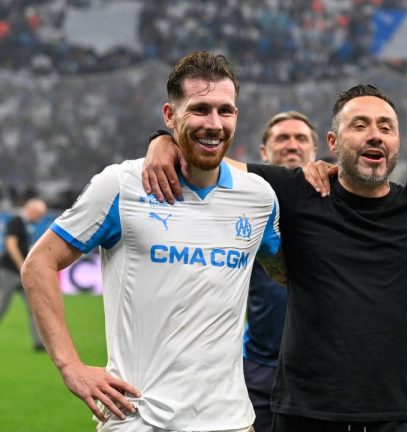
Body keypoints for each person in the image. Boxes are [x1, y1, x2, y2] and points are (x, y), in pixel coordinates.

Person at [143, 84, 407, 431]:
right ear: (333, 143)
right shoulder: (295, 192)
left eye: (386, 127)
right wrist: (161, 141)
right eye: (359, 125)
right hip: (306, 415)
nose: (375, 135)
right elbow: (206, 163)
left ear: (397, 143)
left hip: (401, 416)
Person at [21, 51, 282, 432]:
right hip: (138, 420)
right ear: (169, 115)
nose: (214, 123)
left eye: (225, 111)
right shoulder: (121, 186)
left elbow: (290, 273)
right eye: (200, 109)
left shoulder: (258, 197)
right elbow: (38, 264)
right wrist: (70, 366)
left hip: (230, 422)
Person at [246, 111, 317, 432]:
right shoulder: (242, 203)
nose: (292, 145)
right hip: (259, 367)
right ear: (263, 152)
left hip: (320, 371)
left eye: (301, 138)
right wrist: (163, 140)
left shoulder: (339, 202)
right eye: (282, 138)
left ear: (315, 150)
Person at [0, 197, 47, 351]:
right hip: (8, 272)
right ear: (31, 210)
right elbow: (10, 245)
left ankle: (39, 343)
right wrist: (22, 266)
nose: (39, 219)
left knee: (35, 306)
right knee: (1, 306)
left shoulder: (28, 226)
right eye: (39, 215)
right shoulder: (16, 222)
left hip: (23, 274)